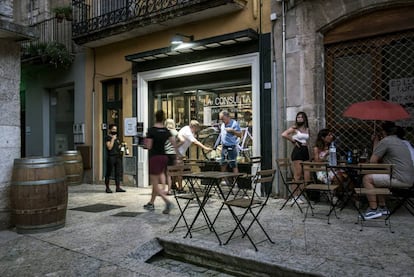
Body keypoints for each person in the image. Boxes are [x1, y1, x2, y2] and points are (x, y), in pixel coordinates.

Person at [362, 121, 414, 220]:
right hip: (409, 178)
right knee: (379, 179)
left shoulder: (386, 141)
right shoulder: (400, 141)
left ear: (383, 132)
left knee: (367, 178)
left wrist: (376, 142)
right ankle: (382, 207)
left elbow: (373, 161)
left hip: (400, 179)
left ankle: (373, 210)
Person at [143, 110, 178, 214]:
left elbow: (148, 146)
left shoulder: (151, 130)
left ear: (155, 117)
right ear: (163, 118)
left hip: (154, 157)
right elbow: (174, 144)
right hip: (164, 157)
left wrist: (144, 144)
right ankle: (151, 203)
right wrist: (177, 156)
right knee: (156, 182)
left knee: (154, 183)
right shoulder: (167, 131)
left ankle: (167, 202)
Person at [281, 112, 310, 203]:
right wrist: (293, 141)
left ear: (304, 118)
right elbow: (284, 134)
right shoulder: (294, 128)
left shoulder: (307, 128)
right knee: (298, 174)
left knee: (306, 175)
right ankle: (295, 196)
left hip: (305, 150)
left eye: (301, 117)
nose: (299, 119)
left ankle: (300, 194)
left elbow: (306, 139)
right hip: (298, 151)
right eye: (298, 117)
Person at [175, 120, 212, 192]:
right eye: (197, 128)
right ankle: (179, 188)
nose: (197, 130)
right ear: (194, 127)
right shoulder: (188, 132)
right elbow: (195, 142)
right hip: (178, 154)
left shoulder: (186, 128)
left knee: (176, 170)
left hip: (179, 153)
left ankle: (174, 186)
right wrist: (205, 148)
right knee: (180, 171)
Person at [104, 124, 126, 193]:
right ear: (110, 130)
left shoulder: (117, 138)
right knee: (109, 172)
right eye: (113, 129)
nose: (114, 131)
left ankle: (118, 187)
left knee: (118, 173)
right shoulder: (107, 138)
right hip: (111, 157)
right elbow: (109, 147)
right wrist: (113, 139)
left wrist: (122, 146)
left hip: (118, 157)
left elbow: (118, 147)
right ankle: (107, 188)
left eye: (115, 130)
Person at [164, 118, 179, 195]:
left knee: (168, 173)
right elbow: (181, 140)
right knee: (174, 171)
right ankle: (174, 186)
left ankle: (169, 190)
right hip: (173, 154)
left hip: (166, 154)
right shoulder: (176, 132)